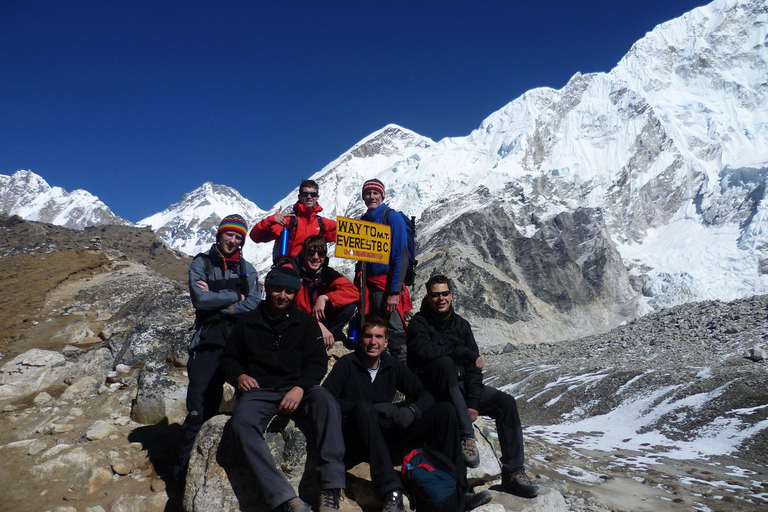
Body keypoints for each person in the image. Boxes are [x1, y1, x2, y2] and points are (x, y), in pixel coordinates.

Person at [323, 316, 491, 512]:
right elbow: (328, 399)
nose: (373, 342)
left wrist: (412, 411)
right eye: (368, 336)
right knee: (364, 409)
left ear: (386, 342)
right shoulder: (347, 364)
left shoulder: (391, 364)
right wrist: (365, 408)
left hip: (386, 433)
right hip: (357, 438)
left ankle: (459, 491)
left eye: (379, 337)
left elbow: (424, 393)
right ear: (361, 340)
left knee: (445, 410)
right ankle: (391, 492)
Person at [220, 260, 346, 512]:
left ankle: (331, 488)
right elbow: (229, 359)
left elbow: (317, 363)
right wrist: (240, 376)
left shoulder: (306, 322)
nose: (283, 296)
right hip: (260, 391)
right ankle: (284, 499)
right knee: (242, 421)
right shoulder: (247, 322)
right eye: (278, 289)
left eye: (289, 292)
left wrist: (300, 387)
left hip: (299, 389)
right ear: (268, 288)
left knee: (326, 402)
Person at [406, 275, 539, 499]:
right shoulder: (419, 323)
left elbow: (474, 371)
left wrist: (473, 404)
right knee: (445, 363)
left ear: (451, 295)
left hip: (461, 389)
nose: (441, 298)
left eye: (445, 293)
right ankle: (467, 435)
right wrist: (464, 354)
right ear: (428, 297)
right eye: (435, 294)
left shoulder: (461, 325)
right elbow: (425, 353)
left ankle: (514, 473)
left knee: (505, 403)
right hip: (433, 388)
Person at [174, 214, 260, 483]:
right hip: (208, 341)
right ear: (219, 234)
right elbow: (200, 299)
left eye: (238, 237)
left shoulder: (248, 269)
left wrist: (218, 301)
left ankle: (244, 469)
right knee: (200, 408)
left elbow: (255, 302)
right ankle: (180, 474)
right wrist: (236, 297)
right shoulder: (201, 263)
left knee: (251, 400)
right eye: (229, 234)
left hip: (238, 342)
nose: (232, 241)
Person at [358, 178, 412, 361]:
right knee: (373, 331)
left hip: (386, 284)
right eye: (368, 193)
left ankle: (403, 375)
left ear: (382, 195)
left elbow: (400, 256)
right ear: (363, 197)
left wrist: (394, 291)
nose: (371, 196)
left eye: (375, 193)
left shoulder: (392, 218)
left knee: (394, 331)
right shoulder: (362, 221)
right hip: (369, 287)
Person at [296, 235, 358, 349]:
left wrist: (325, 297)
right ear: (303, 254)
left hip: (320, 322)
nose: (316, 257)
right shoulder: (296, 275)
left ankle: (323, 339)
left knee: (350, 308)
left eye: (320, 253)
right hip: (301, 322)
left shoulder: (327, 273)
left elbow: (353, 292)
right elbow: (297, 309)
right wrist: (317, 324)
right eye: (311, 253)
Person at [250, 179, 337, 260]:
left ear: (317, 197)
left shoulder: (322, 223)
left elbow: (346, 233)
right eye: (305, 194)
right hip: (289, 269)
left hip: (313, 267)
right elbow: (255, 236)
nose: (309, 197)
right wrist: (270, 220)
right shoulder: (286, 221)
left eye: (313, 194)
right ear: (299, 196)